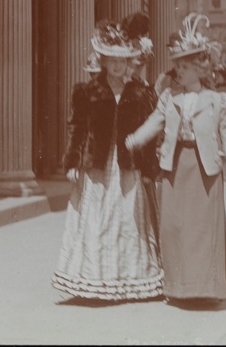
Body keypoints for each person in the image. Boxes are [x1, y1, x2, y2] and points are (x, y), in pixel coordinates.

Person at [125, 13, 226, 306]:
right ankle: (179, 287)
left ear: (199, 69)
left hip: (205, 169)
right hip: (175, 166)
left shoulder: (218, 101)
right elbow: (155, 122)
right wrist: (135, 139)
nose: (177, 71)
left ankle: (206, 288)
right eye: (177, 65)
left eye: (183, 67)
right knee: (176, 228)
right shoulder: (169, 97)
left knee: (203, 229)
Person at [52, 20, 163, 300]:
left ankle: (129, 280)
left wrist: (149, 169)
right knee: (95, 218)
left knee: (127, 219)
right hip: (97, 166)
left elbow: (149, 137)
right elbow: (77, 129)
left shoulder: (141, 92)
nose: (116, 65)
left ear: (129, 63)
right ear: (103, 61)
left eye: (122, 60)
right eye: (111, 60)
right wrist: (73, 163)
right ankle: (93, 279)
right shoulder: (87, 91)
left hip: (127, 166)